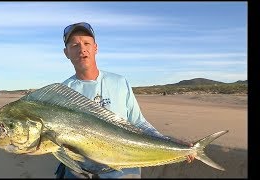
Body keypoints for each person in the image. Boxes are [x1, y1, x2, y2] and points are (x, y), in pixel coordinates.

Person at [55, 22, 195, 178]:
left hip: (123, 171)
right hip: (79, 172)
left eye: (87, 43)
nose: (82, 49)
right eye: (74, 45)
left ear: (95, 48)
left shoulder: (119, 82)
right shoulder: (62, 92)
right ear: (66, 52)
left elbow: (138, 122)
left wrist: (170, 143)